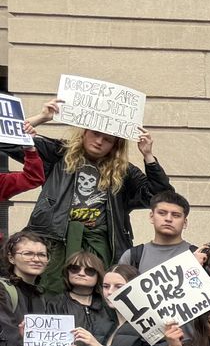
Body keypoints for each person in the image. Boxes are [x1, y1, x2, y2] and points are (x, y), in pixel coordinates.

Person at [24, 101, 171, 289]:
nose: (100, 141)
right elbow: (7, 140)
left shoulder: (124, 171)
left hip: (101, 243)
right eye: (96, 134)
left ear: (115, 145)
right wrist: (42, 117)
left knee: (100, 295)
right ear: (84, 132)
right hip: (55, 241)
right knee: (51, 293)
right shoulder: (59, 154)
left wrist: (148, 155)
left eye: (108, 139)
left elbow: (161, 196)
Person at [115, 191, 195, 272]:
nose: (168, 219)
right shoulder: (131, 257)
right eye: (162, 213)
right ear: (151, 217)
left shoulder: (197, 256)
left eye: (176, 215)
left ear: (185, 223)